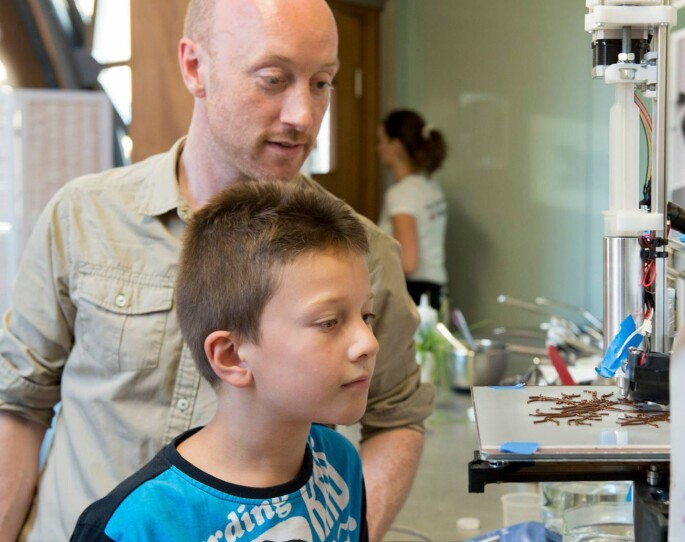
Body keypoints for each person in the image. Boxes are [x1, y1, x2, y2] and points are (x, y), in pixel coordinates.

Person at [0, 1, 433, 540]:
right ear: (194, 67)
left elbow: (396, 417)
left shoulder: (360, 252)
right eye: (273, 79)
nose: (303, 115)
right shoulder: (82, 216)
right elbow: (18, 403)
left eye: (322, 83)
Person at [71, 181, 375, 541]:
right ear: (232, 357)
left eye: (367, 317)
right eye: (328, 322)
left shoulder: (340, 463)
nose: (368, 343)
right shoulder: (137, 527)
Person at [377, 109, 449, 310]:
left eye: (382, 140)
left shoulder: (401, 194)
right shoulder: (430, 185)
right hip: (436, 289)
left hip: (415, 293)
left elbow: (408, 262)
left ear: (396, 146)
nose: (378, 148)